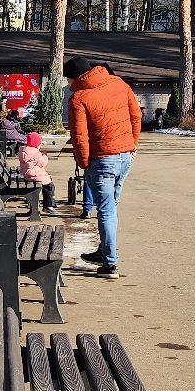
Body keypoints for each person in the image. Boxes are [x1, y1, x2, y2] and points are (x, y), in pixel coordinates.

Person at [66, 55, 141, 277]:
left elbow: (79, 136)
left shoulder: (78, 98)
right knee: (111, 208)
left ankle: (110, 263)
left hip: (102, 160)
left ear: (75, 77)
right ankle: (104, 250)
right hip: (124, 157)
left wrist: (84, 162)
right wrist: (132, 145)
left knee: (106, 211)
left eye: (68, 79)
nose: (68, 84)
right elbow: (136, 115)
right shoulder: (118, 83)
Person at [16, 132, 58, 213]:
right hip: (34, 175)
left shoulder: (23, 151)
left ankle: (49, 203)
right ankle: (49, 205)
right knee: (49, 185)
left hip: (27, 174)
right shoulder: (35, 153)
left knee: (47, 180)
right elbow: (43, 163)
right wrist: (44, 155)